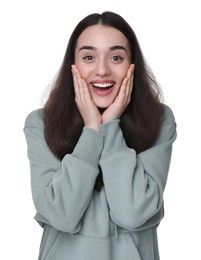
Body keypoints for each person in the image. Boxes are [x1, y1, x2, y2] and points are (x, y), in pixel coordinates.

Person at [23, 11, 177, 260]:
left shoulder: (158, 120)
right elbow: (62, 215)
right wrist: (92, 131)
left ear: (131, 65)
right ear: (72, 65)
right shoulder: (41, 124)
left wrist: (111, 125)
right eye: (89, 57)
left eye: (116, 57)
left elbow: (133, 212)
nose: (102, 70)